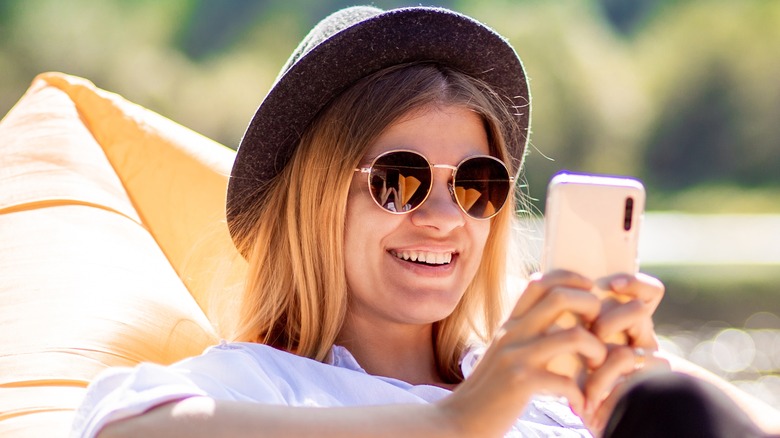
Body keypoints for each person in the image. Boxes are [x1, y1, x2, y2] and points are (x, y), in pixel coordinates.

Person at [71, 5, 775, 438]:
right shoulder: (253, 385)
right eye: (398, 181)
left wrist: (636, 392)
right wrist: (459, 421)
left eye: (477, 184)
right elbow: (122, 431)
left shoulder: (551, 396)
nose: (444, 218)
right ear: (314, 200)